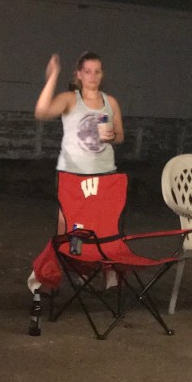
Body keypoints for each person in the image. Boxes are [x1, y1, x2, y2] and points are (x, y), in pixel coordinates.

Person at [30, 51, 124, 291]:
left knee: (104, 225)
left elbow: (120, 136)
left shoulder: (110, 102)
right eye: (88, 71)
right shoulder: (70, 99)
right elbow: (41, 112)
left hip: (104, 173)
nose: (92, 76)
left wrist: (112, 136)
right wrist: (53, 76)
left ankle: (107, 269)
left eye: (97, 71)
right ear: (79, 74)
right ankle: (64, 271)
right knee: (70, 228)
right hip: (72, 174)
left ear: (102, 74)